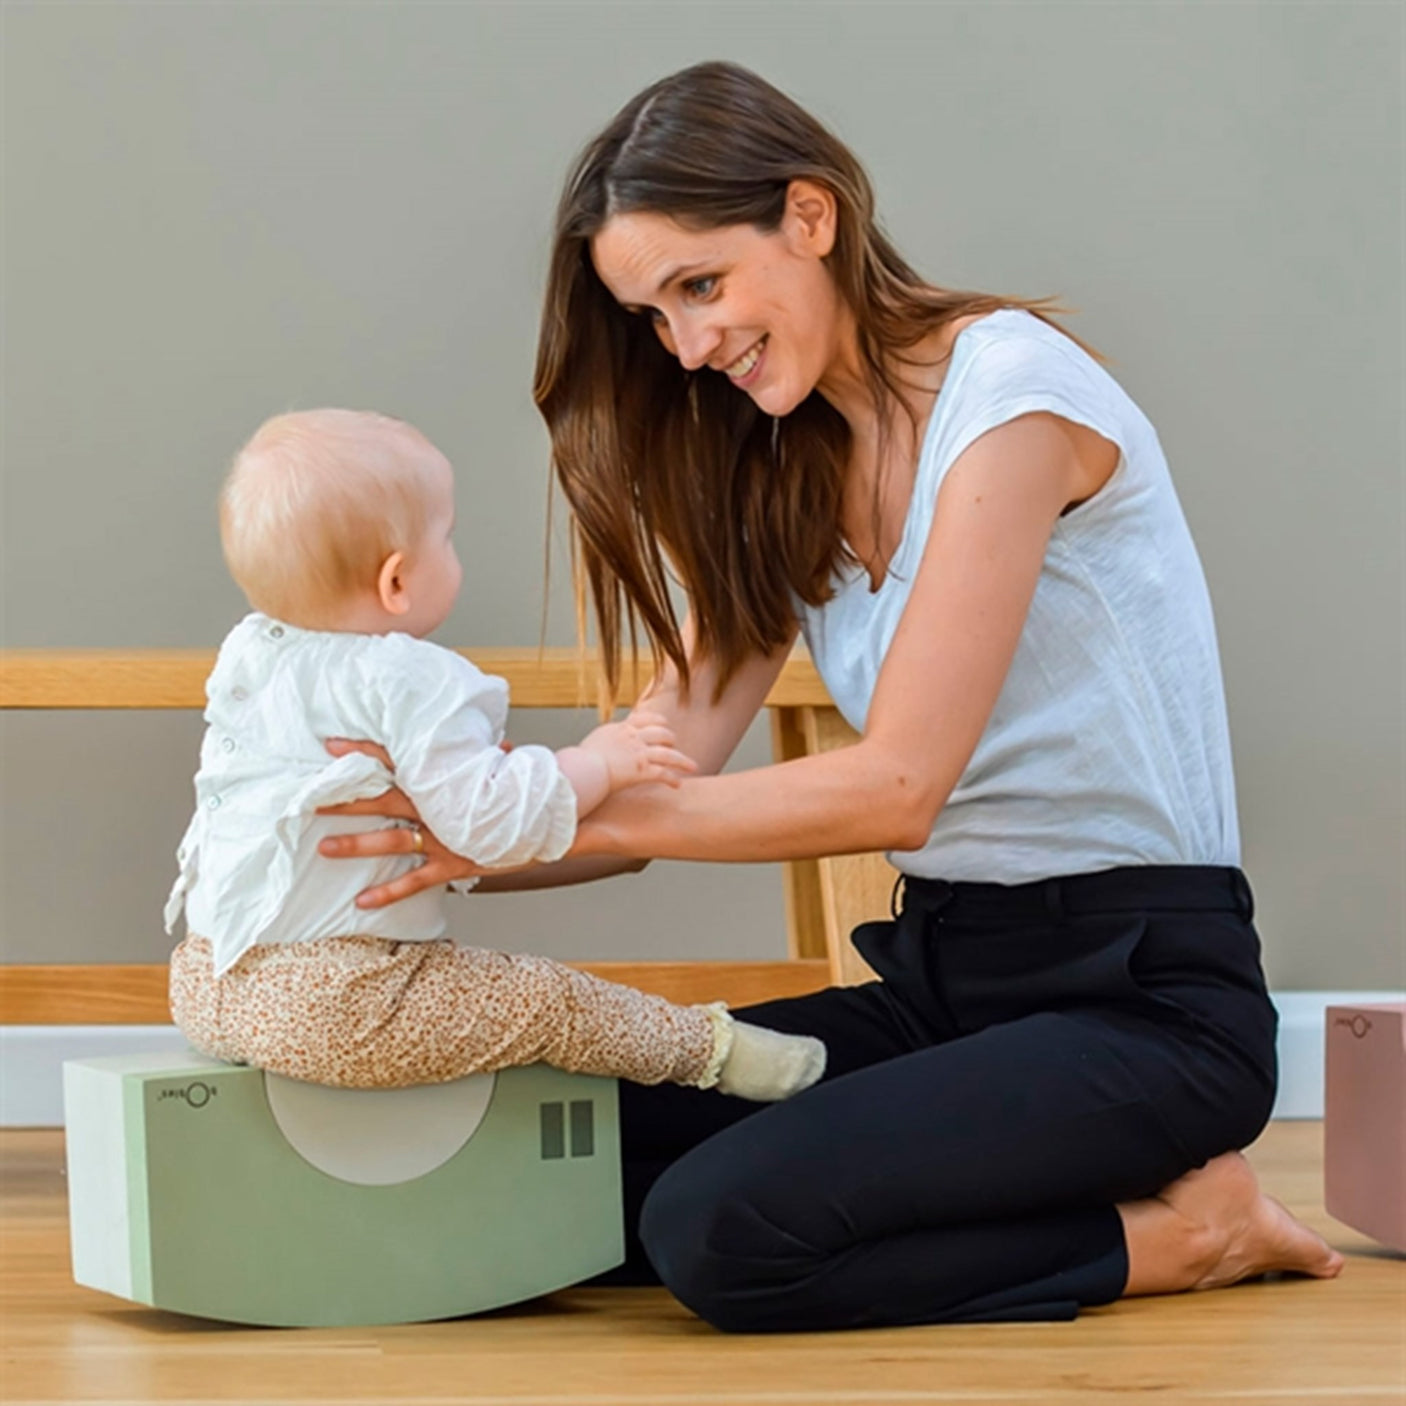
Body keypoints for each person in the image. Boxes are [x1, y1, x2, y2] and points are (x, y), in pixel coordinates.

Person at [317, 62, 1344, 1330]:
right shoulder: (782, 463)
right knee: (528, 1153)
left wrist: (545, 817)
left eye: (699, 285)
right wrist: (429, 841)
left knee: (719, 1229)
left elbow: (898, 783)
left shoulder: (1008, 394)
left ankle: (1180, 1233)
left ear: (810, 216)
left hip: (1146, 1001)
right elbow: (656, 767)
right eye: (651, 315)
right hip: (943, 984)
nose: (687, 346)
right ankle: (1034, 1168)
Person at [164, 407, 826, 1101]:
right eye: (446, 538)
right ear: (396, 583)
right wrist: (598, 761)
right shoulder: (411, 677)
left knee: (465, 1004)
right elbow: (487, 824)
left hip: (209, 981)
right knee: (549, 1002)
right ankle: (717, 1056)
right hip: (339, 997)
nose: (455, 552)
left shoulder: (252, 655)